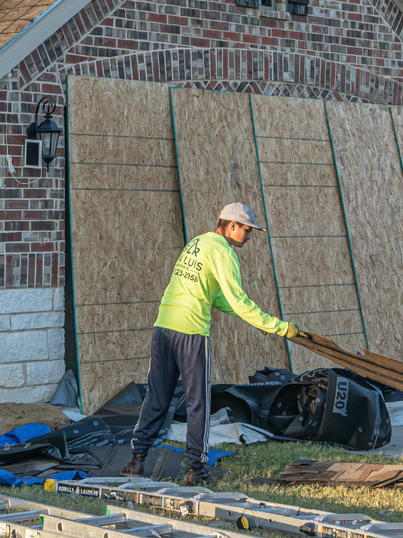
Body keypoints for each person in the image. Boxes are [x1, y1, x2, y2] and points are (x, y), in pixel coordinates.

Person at [126, 203, 299, 486]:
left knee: (157, 396)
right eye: (247, 229)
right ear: (231, 225)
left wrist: (256, 322)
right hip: (191, 331)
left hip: (163, 327)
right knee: (199, 403)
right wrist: (276, 326)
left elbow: (218, 299)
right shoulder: (223, 251)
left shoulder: (197, 243)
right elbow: (238, 299)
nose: (250, 235)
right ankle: (196, 469)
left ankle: (136, 460)